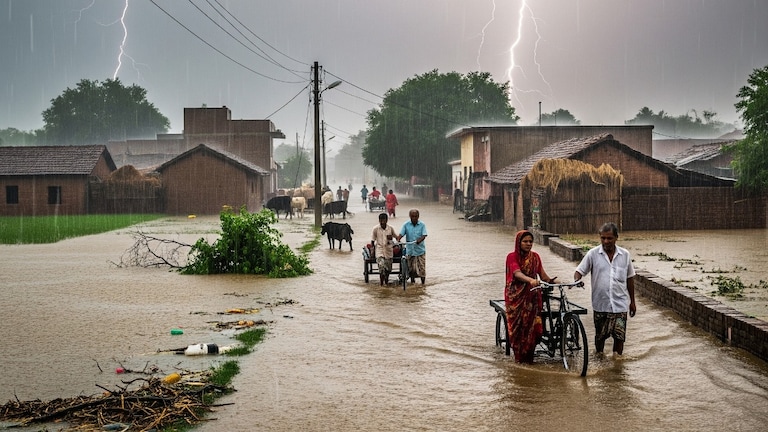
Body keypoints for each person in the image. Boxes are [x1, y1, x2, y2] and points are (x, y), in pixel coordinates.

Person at [574, 222, 636, 357]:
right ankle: (600, 360)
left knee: (619, 338)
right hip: (600, 305)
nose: (606, 241)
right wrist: (577, 280)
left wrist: (632, 302)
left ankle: (617, 364)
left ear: (616, 238)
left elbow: (630, 279)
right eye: (603, 238)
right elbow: (579, 271)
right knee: (600, 338)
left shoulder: (625, 255)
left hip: (620, 305)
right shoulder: (593, 254)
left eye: (609, 238)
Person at [504, 230, 556, 364]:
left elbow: (543, 276)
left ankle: (530, 358)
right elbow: (517, 273)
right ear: (519, 242)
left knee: (535, 330)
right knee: (519, 330)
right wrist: (530, 280)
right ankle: (520, 359)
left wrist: (555, 281)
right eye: (525, 241)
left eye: (530, 242)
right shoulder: (512, 257)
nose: (528, 244)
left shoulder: (535, 257)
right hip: (516, 297)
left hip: (532, 297)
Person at [396, 209, 428, 284]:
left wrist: (419, 240)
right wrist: (398, 239)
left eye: (416, 216)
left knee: (422, 268)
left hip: (420, 250)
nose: (414, 218)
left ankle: (423, 284)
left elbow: (424, 235)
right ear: (410, 216)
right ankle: (412, 282)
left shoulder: (422, 225)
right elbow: (401, 234)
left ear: (418, 216)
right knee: (411, 269)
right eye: (412, 216)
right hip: (410, 250)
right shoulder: (406, 225)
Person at [371, 213, 397, 286]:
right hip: (379, 250)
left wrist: (395, 240)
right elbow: (372, 240)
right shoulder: (375, 229)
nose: (382, 222)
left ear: (387, 220)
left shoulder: (390, 228)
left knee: (388, 269)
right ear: (379, 220)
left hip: (388, 251)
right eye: (381, 220)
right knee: (381, 266)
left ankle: (386, 281)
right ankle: (382, 283)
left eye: (384, 220)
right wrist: (372, 250)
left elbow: (396, 237)